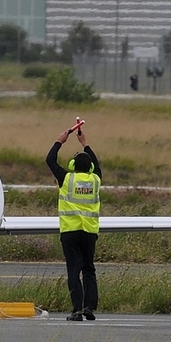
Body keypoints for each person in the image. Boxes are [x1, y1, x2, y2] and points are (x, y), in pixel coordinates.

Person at [47, 124, 102, 321]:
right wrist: (85, 143)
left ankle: (77, 310)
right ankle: (89, 308)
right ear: (91, 168)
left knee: (74, 270)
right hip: (89, 232)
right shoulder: (96, 180)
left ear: (72, 165)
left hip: (70, 232)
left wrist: (60, 141)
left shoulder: (65, 179)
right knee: (89, 269)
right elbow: (97, 164)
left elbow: (50, 160)